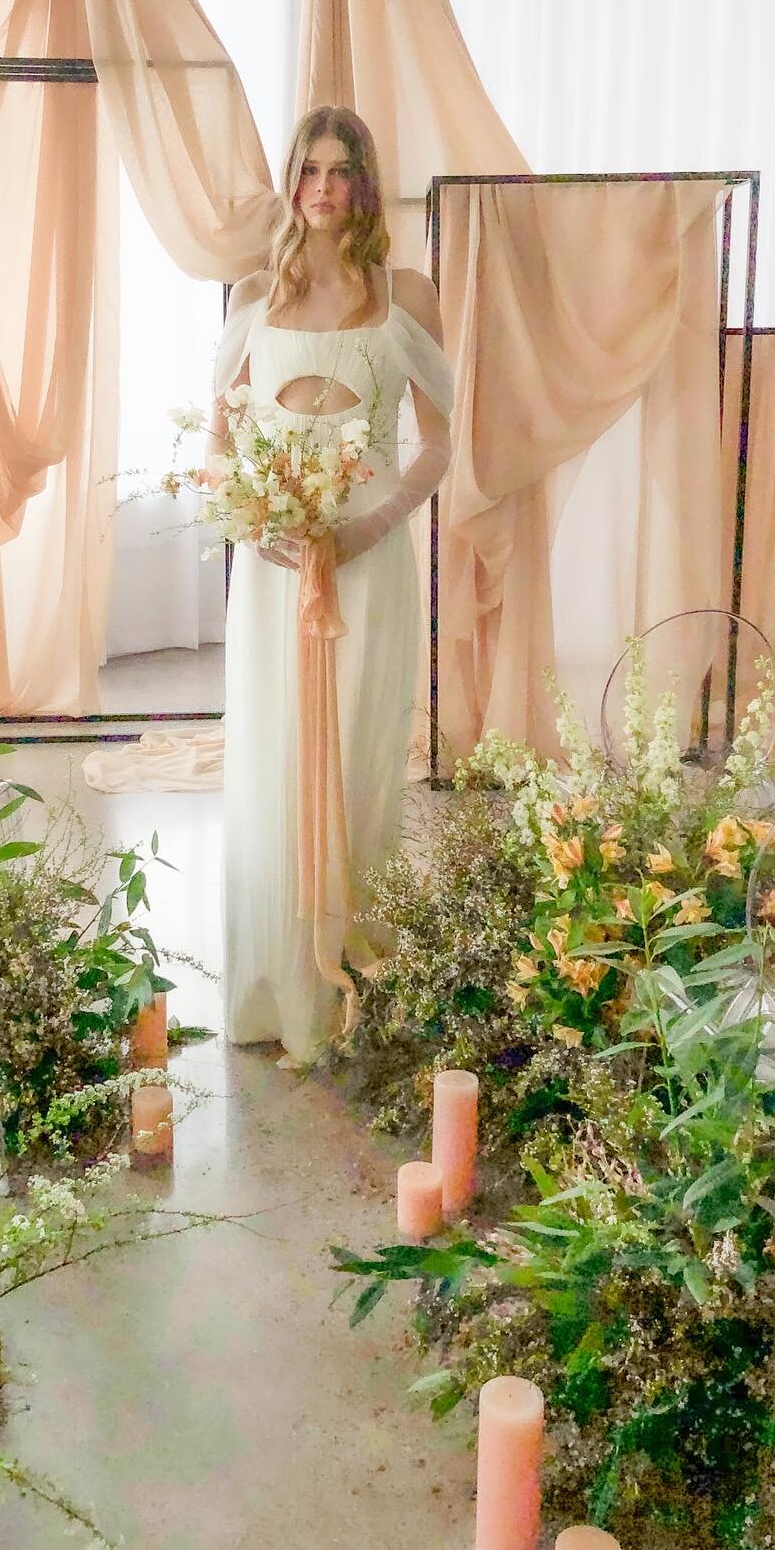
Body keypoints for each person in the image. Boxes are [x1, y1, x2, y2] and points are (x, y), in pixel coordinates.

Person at [207, 106, 453, 1062]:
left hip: (369, 562)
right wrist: (257, 525)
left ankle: (354, 986)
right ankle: (277, 989)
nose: (322, 188)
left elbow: (437, 445)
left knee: (357, 756)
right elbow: (221, 446)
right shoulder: (250, 298)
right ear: (291, 179)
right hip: (275, 576)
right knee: (273, 762)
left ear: (365, 182)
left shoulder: (407, 295)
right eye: (308, 169)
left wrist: (372, 525)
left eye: (341, 171)